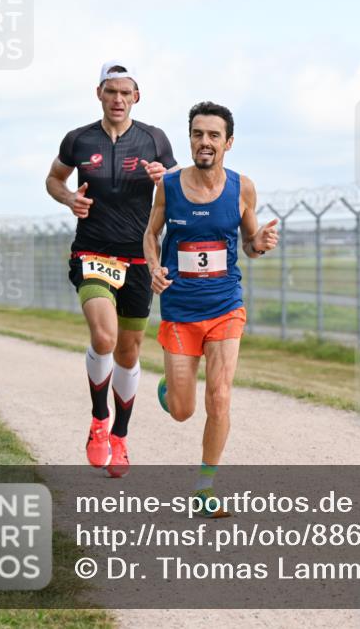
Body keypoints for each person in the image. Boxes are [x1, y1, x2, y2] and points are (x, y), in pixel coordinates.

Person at [143, 101, 278, 517]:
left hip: (225, 307)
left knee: (219, 398)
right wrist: (153, 267)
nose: (205, 142)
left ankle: (205, 487)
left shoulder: (243, 188)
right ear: (190, 139)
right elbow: (151, 234)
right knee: (184, 411)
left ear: (228, 142)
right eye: (198, 134)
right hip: (180, 310)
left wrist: (260, 245)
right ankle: (170, 389)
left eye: (213, 135)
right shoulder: (167, 185)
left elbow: (251, 244)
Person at [45, 60, 177, 477]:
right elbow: (53, 179)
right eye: (110, 91)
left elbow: (179, 187)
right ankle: (98, 420)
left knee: (128, 351)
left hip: (140, 257)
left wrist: (164, 178)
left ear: (136, 96)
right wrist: (69, 199)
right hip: (93, 253)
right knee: (104, 336)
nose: (118, 99)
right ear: (99, 94)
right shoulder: (78, 139)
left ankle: (120, 436)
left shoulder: (154, 139)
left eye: (125, 92)